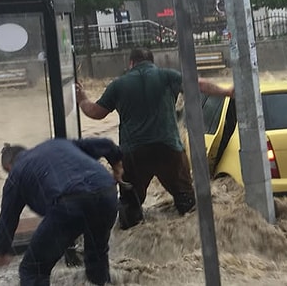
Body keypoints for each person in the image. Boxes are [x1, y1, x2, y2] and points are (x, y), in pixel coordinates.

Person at [75, 47, 234, 230]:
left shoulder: (118, 85)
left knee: (130, 206)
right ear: (152, 62)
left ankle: (132, 236)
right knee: (187, 203)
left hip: (133, 153)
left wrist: (82, 99)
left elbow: (95, 113)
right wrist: (227, 91)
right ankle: (191, 237)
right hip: (169, 148)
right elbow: (199, 84)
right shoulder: (167, 76)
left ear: (131, 63)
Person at [0, 138, 124, 286]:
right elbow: (105, 144)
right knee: (97, 258)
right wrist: (117, 165)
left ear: (9, 166)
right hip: (106, 192)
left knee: (32, 269)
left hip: (69, 203)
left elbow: (8, 217)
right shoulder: (58, 145)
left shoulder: (16, 173)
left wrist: (1, 250)